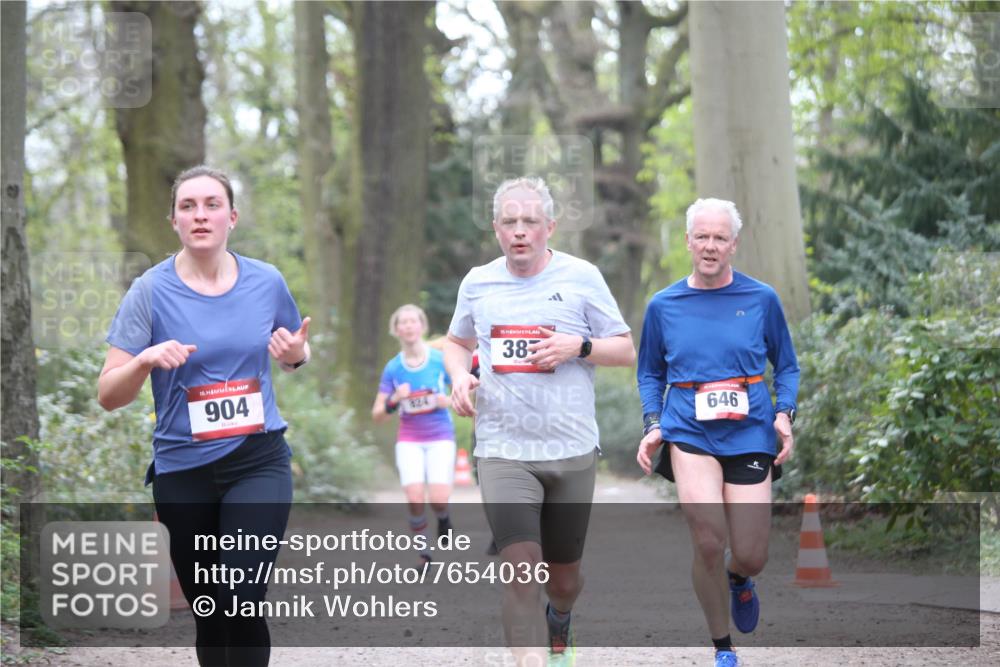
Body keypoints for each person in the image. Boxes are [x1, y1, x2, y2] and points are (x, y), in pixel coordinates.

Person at [98, 165, 310, 667]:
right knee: (211, 612)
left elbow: (294, 350)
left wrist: (296, 354)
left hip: (257, 461)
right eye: (188, 206)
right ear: (173, 219)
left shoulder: (266, 281)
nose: (200, 215)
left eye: (212, 205)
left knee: (241, 594)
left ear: (231, 217)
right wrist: (145, 360)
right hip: (183, 470)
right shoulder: (149, 291)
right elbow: (108, 394)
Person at [445, 176, 635, 666]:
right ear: (496, 228)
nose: (519, 231)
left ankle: (561, 617)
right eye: (509, 222)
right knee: (520, 573)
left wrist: (579, 346)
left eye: (529, 221)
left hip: (570, 450)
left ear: (549, 226)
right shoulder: (478, 282)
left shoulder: (582, 277)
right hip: (502, 449)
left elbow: (625, 349)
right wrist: (459, 377)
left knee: (563, 581)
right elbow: (457, 342)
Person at [635, 198, 799, 667]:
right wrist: (653, 424)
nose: (710, 246)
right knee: (707, 539)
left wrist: (784, 413)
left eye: (719, 238)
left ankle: (739, 578)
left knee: (751, 554)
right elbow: (650, 373)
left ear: (734, 244)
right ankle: (723, 647)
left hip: (749, 431)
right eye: (702, 237)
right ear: (688, 242)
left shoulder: (761, 299)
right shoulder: (663, 305)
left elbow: (786, 365)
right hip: (689, 429)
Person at [372, 304, 457, 566]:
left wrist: (447, 400)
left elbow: (462, 391)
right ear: (396, 330)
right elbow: (378, 414)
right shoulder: (393, 368)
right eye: (403, 322)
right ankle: (424, 553)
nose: (408, 326)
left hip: (440, 436)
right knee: (415, 498)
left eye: (413, 321)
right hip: (409, 439)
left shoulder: (439, 360)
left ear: (422, 326)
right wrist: (395, 399)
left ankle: (443, 518)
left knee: (439, 500)